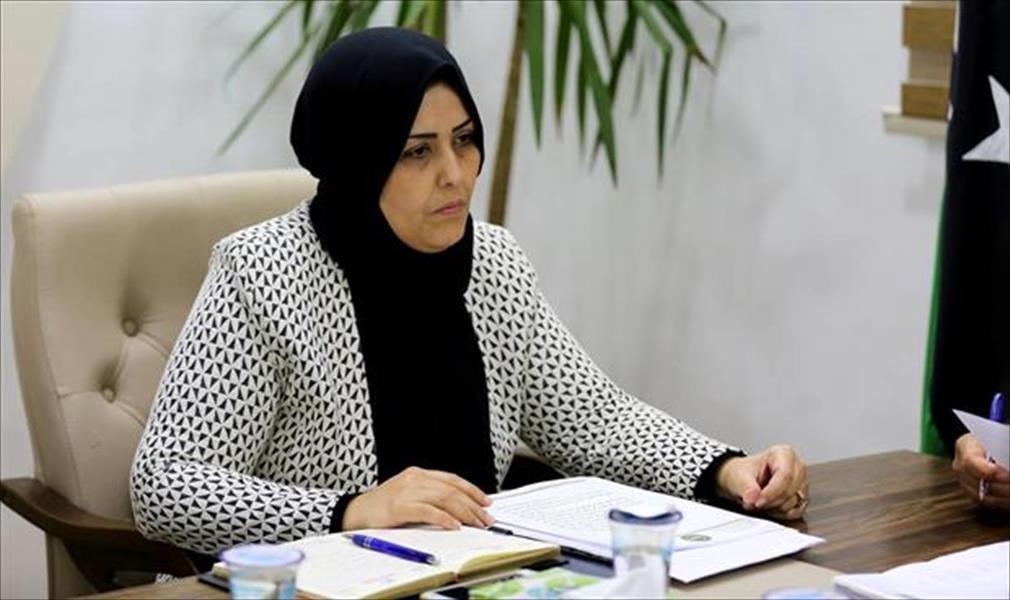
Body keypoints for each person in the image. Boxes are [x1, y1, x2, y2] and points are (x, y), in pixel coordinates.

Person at [130, 27, 809, 556]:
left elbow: (593, 420)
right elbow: (166, 484)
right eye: (416, 152)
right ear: (358, 162)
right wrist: (350, 510)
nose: (455, 174)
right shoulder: (261, 272)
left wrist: (727, 469)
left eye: (464, 140)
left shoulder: (494, 262)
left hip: (474, 576)